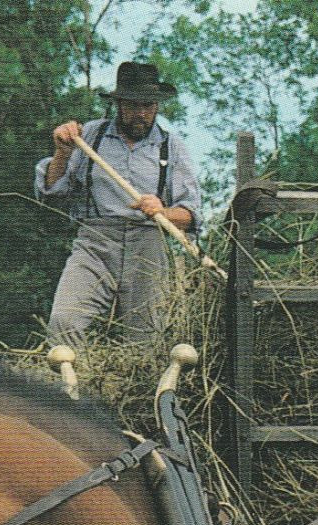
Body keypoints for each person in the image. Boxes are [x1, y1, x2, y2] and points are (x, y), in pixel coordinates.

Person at [35, 61, 201, 347]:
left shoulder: (171, 146)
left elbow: (190, 215)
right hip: (95, 241)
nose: (141, 114)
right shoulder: (88, 137)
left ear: (157, 106)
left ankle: (147, 389)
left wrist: (162, 211)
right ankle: (68, 389)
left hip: (148, 244)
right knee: (64, 324)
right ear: (118, 104)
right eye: (133, 105)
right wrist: (62, 153)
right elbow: (51, 193)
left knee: (147, 339)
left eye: (148, 106)